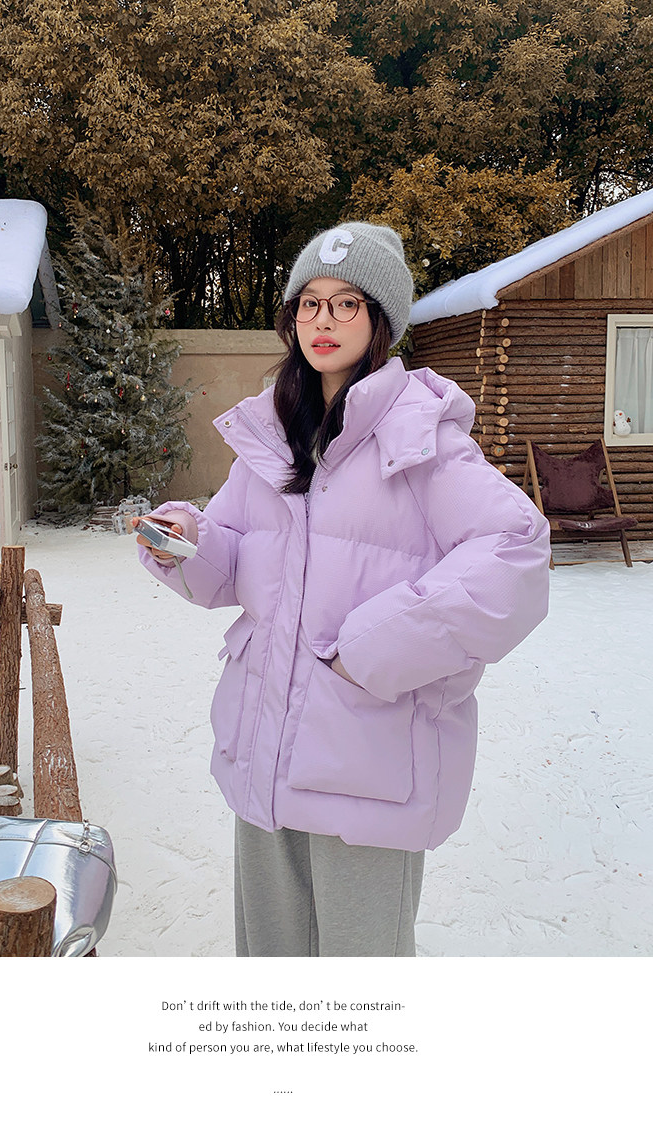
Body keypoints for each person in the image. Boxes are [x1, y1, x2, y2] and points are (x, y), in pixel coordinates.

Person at [136, 222, 551, 957]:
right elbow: (232, 558)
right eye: (309, 303)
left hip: (369, 764)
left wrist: (371, 649)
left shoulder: (420, 435)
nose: (322, 320)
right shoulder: (273, 435)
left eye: (346, 303)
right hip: (265, 752)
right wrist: (186, 540)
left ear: (380, 320)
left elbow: (515, 552)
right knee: (272, 967)